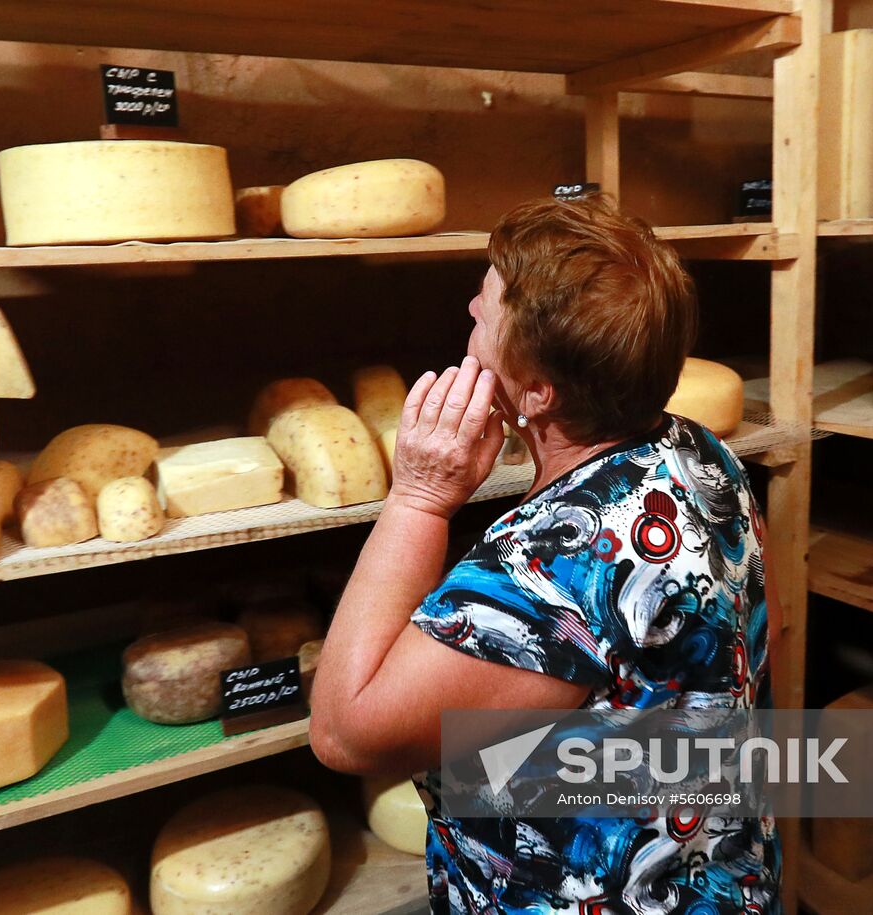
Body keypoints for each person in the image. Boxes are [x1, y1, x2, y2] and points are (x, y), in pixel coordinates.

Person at [310, 196, 780, 914]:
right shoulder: (699, 450)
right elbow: (758, 627)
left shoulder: (548, 568)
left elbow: (345, 733)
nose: (471, 305)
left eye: (484, 312)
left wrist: (419, 497)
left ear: (535, 390)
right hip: (718, 879)